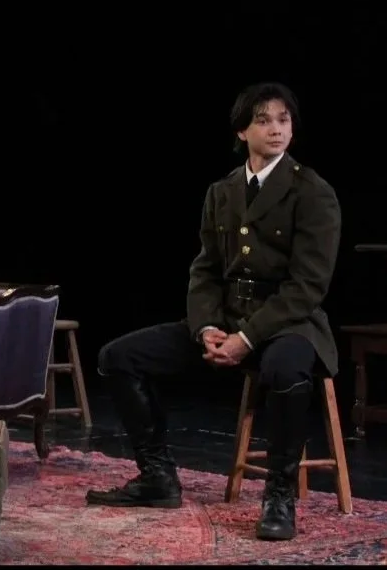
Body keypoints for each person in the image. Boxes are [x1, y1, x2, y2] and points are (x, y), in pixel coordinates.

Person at [86, 82, 341, 542]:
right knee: (118, 357)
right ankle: (158, 476)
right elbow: (204, 270)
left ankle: (279, 496)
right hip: (223, 321)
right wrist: (206, 326)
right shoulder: (222, 191)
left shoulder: (312, 191)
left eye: (283, 120)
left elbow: (307, 287)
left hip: (288, 326)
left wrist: (247, 338)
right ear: (243, 130)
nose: (276, 129)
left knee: (286, 370)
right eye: (263, 120)